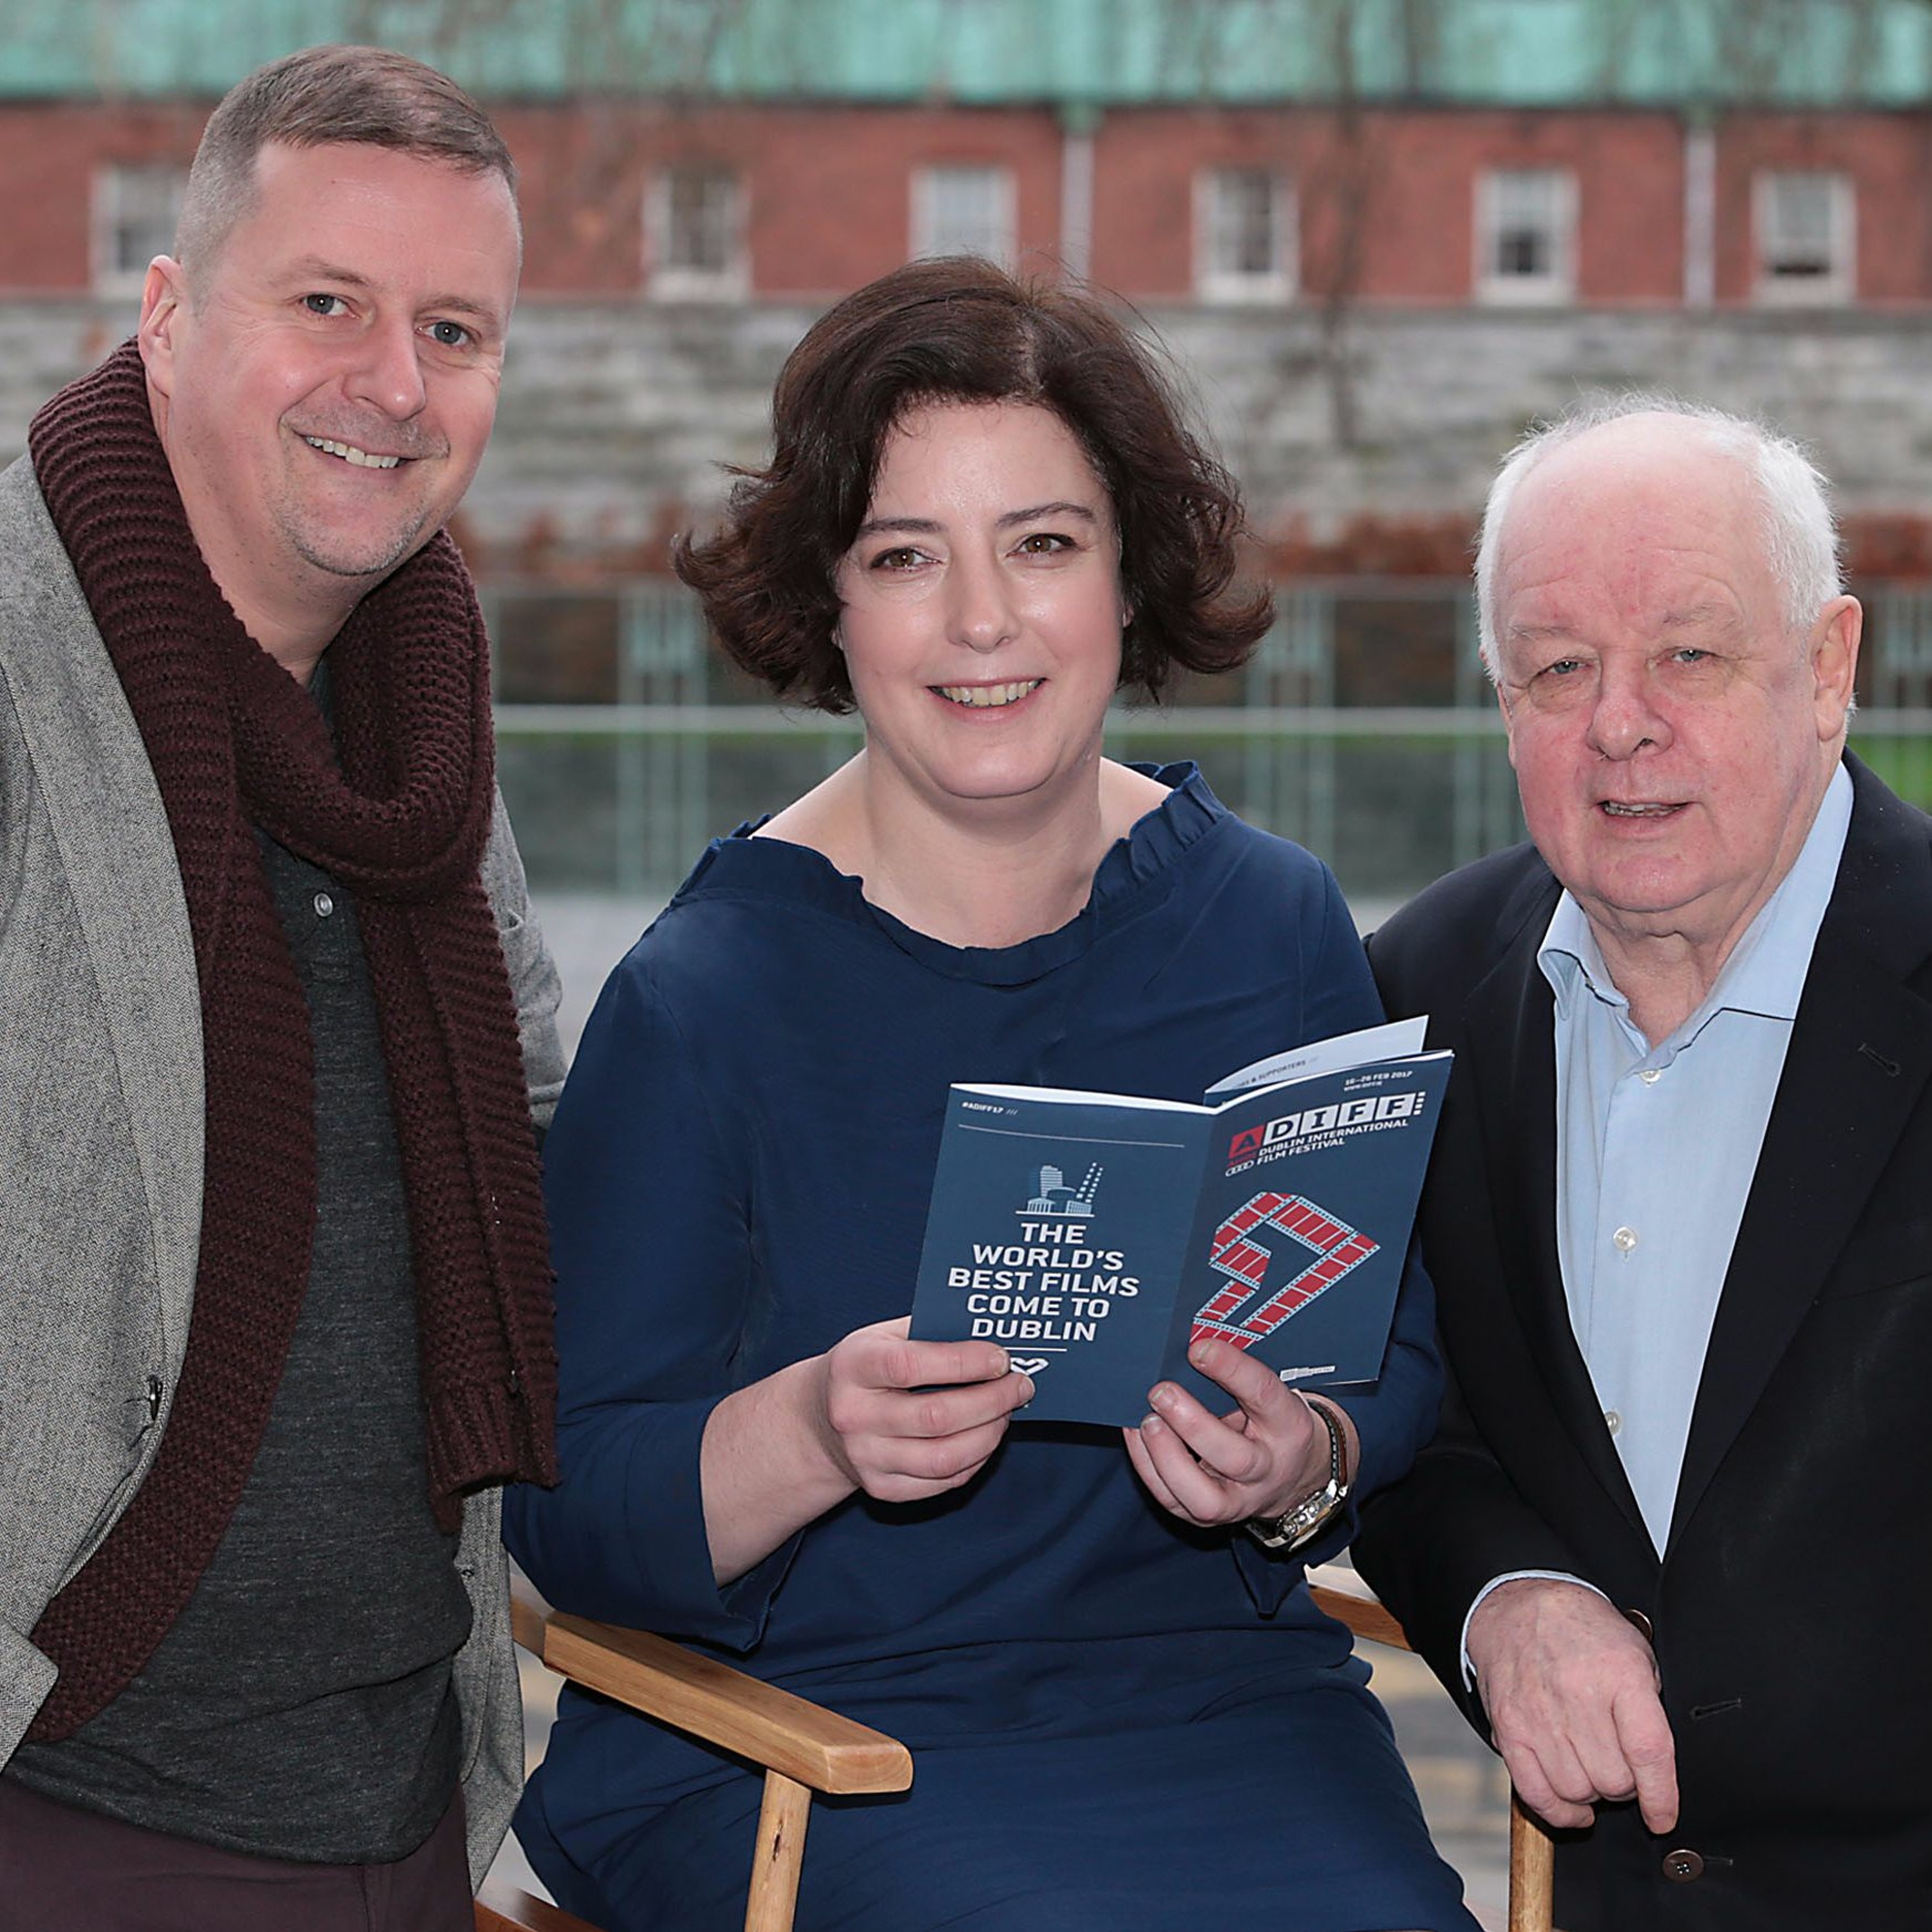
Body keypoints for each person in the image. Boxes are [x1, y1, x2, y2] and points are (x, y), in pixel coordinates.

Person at [504, 256, 1473, 1932]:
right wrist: (816, 1432)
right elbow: (566, 1504)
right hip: (813, 1741)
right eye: (906, 556)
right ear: (830, 605)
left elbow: (1392, 1353)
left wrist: (1301, 1456)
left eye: (1042, 543)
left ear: (1127, 574)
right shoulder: (704, 995)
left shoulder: (1272, 922)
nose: (981, 620)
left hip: (1220, 1715)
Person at [0, 45, 564, 1931]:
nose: (393, 383)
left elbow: (542, 1135)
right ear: (167, 320)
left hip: (403, 1797)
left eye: (453, 330)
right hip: (62, 1795)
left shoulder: (422, 722)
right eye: (327, 303)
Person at [1350, 396, 1932, 1929]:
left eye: (1688, 653)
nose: (1619, 724)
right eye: (1559, 667)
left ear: (1830, 668)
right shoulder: (1415, 996)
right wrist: (1501, 1597)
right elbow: (1405, 1419)